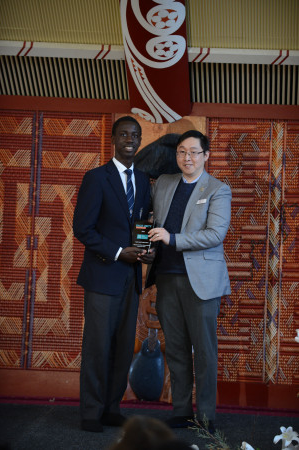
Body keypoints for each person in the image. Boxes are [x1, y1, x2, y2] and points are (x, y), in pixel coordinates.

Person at [73, 116, 154, 432]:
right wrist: (120, 252)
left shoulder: (144, 180)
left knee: (122, 348)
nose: (129, 139)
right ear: (113, 138)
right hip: (103, 276)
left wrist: (145, 250)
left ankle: (111, 407)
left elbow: (142, 224)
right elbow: (83, 229)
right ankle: (91, 413)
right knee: (97, 347)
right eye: (123, 134)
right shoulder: (96, 178)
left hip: (129, 278)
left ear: (140, 138)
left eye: (135, 134)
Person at [147, 129, 231, 432]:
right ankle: (181, 411)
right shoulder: (166, 183)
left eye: (195, 152)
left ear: (206, 156)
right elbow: (142, 167)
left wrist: (173, 238)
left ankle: (206, 416)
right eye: (182, 151)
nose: (188, 158)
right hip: (167, 278)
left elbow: (214, 235)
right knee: (177, 348)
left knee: (205, 351)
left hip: (202, 282)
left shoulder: (218, 189)